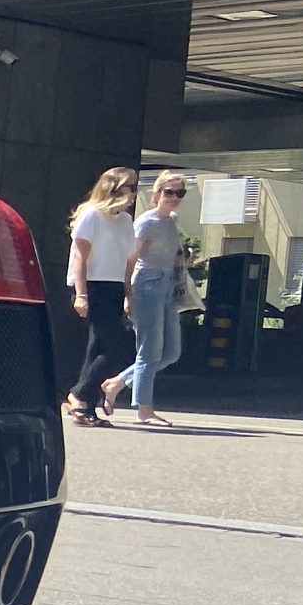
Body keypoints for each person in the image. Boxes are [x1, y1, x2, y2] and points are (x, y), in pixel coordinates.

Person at [107, 173, 188, 426]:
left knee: (171, 352)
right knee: (149, 351)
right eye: (169, 192)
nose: (174, 198)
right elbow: (130, 260)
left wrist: (184, 260)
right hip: (147, 286)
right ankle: (144, 411)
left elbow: (170, 255)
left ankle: (116, 383)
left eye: (180, 193)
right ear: (156, 194)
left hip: (168, 286)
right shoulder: (146, 222)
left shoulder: (170, 222)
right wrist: (127, 294)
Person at [63, 167, 137, 426]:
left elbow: (128, 261)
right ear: (114, 189)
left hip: (114, 285)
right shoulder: (91, 215)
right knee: (118, 346)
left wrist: (128, 293)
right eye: (131, 187)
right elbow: (80, 256)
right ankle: (79, 393)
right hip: (91, 285)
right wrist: (81, 294)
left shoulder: (126, 221)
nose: (134, 194)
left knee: (98, 348)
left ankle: (87, 409)